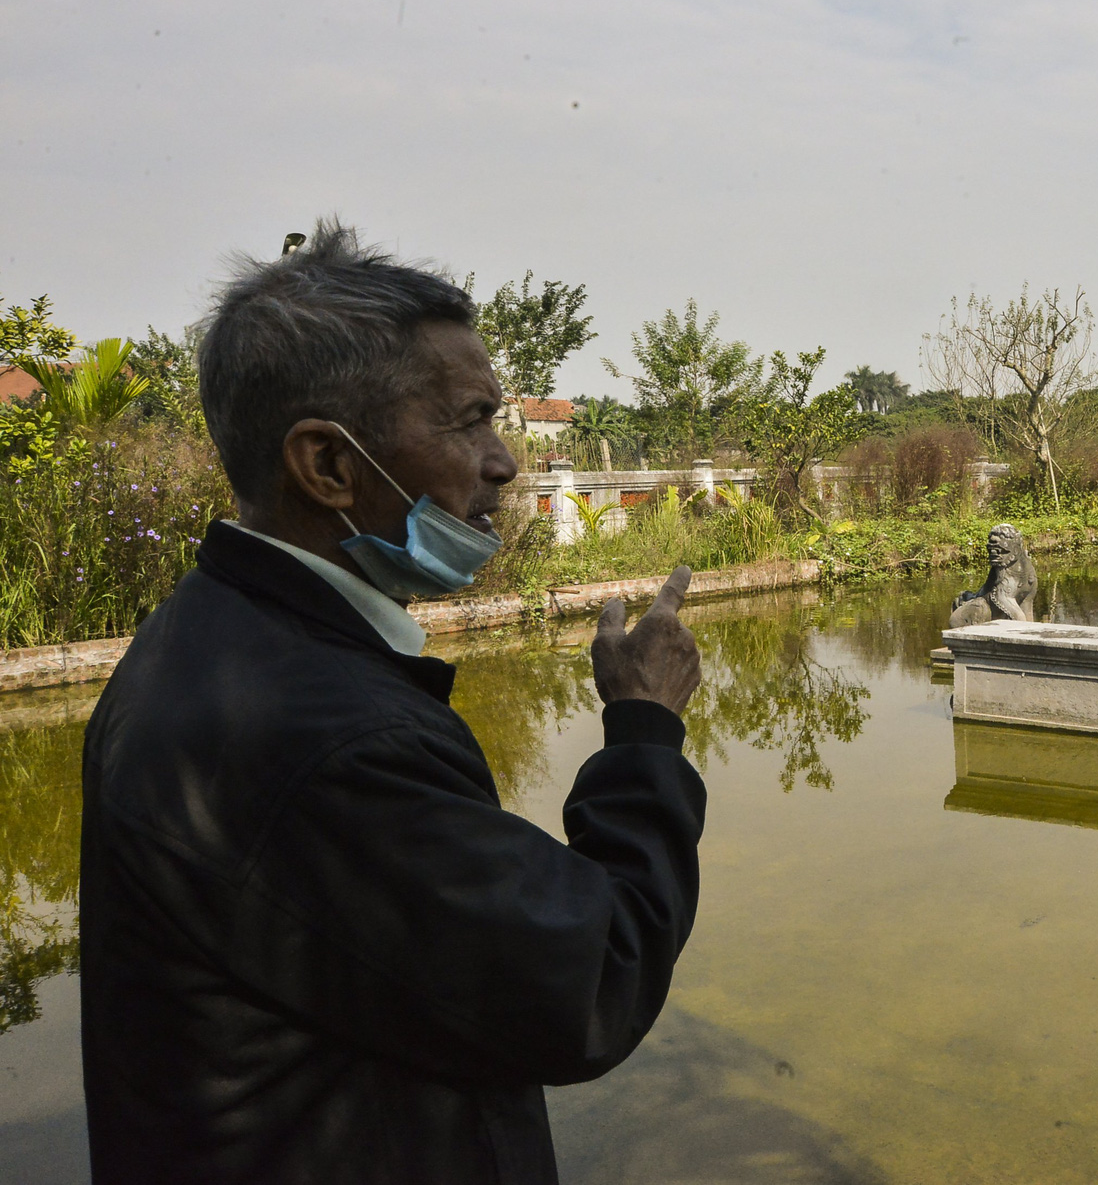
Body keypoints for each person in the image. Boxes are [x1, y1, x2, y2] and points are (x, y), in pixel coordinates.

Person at [79, 221, 706, 1184]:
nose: (502, 461)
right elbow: (593, 976)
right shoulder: (332, 738)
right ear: (327, 465)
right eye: (467, 422)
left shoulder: (201, 636)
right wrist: (646, 734)